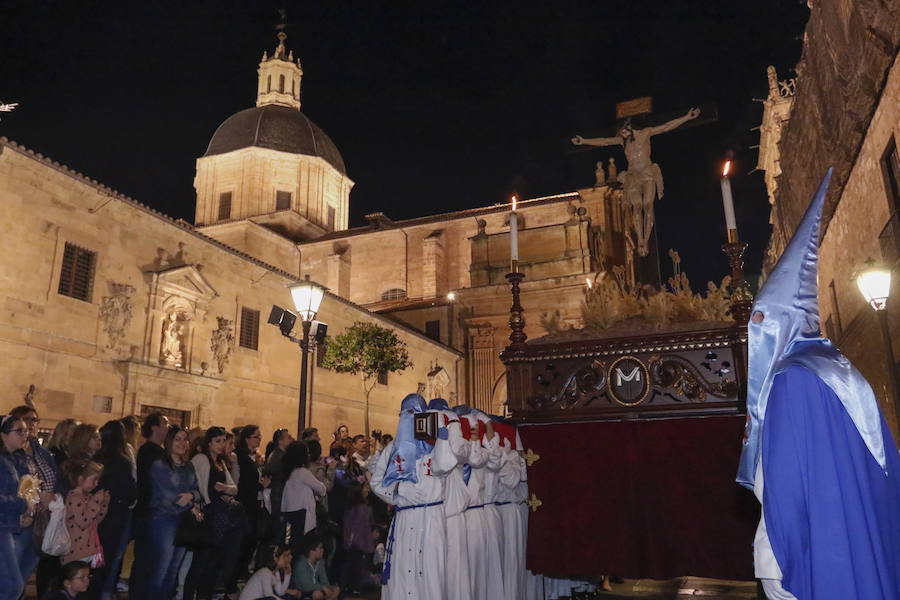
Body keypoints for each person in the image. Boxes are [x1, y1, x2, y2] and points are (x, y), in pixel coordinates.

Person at [737, 171, 900, 600]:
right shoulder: (834, 368)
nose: (755, 337)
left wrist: (789, 566)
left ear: (782, 322)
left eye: (761, 322)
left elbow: (785, 494)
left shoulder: (791, 380)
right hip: (849, 542)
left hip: (807, 559)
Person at [571, 107, 700, 256]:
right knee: (637, 206)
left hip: (647, 172)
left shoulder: (645, 133)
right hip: (633, 175)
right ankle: (640, 240)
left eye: (624, 132)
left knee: (648, 205)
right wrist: (584, 141)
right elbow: (604, 141)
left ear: (630, 127)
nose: (622, 135)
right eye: (621, 133)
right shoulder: (622, 140)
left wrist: (687, 117)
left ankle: (646, 238)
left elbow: (666, 127)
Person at [369, 393, 455, 600]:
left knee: (431, 572)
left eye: (414, 413)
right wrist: (398, 488)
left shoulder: (437, 444)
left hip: (432, 517)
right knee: (404, 569)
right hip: (405, 517)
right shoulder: (393, 449)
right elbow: (376, 482)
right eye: (405, 414)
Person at [140, 425, 201, 600]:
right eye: (178, 439)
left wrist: (191, 496)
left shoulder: (189, 466)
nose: (182, 443)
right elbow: (168, 496)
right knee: (161, 568)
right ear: (169, 442)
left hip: (182, 521)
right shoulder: (159, 465)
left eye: (185, 439)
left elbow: (197, 490)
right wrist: (191, 506)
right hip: (163, 520)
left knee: (173, 571)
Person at [186, 426, 246, 600]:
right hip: (207, 516)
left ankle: (204, 595)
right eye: (217, 441)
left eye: (223, 441)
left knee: (212, 563)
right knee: (200, 564)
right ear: (209, 443)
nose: (221, 445)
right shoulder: (202, 459)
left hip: (219, 519)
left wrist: (225, 488)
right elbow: (201, 488)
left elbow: (234, 488)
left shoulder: (220, 462)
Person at [8, 405, 58, 597]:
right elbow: (12, 486)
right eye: (28, 419)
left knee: (25, 571)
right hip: (19, 521)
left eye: (35, 420)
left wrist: (54, 497)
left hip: (41, 522)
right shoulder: (10, 453)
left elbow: (54, 478)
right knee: (10, 575)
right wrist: (37, 498)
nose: (32, 424)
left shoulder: (42, 453)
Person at [87, 420, 136, 600]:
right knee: (104, 562)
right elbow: (130, 491)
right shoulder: (122, 462)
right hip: (114, 516)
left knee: (90, 562)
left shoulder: (95, 459)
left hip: (93, 516)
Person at [129, 411, 168, 599]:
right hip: (150, 512)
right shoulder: (152, 452)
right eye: (164, 424)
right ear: (154, 427)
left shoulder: (152, 451)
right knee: (146, 560)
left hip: (149, 511)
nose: (167, 428)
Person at [0, 414, 37, 600]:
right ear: (3, 435)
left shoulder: (13, 459)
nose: (25, 434)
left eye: (26, 430)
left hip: (7, 525)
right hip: (1, 528)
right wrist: (22, 505)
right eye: (19, 431)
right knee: (12, 586)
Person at [281, 441, 326, 558]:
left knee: (292, 548)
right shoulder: (302, 472)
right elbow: (322, 489)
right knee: (301, 550)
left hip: (290, 513)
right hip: (303, 515)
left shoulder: (288, 472)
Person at [235, 424, 269, 578]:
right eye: (256, 436)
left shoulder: (253, 457)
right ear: (247, 439)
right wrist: (261, 485)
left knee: (252, 539)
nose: (259, 439)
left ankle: (242, 571)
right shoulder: (242, 457)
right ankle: (238, 572)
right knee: (245, 541)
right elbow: (245, 483)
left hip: (255, 504)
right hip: (246, 504)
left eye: (260, 436)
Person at [61, 460, 109, 565]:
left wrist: (103, 504)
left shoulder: (88, 497)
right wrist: (96, 501)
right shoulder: (74, 498)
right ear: (81, 479)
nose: (96, 484)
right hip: (76, 551)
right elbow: (83, 521)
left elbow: (96, 520)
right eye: (93, 480)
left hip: (88, 550)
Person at [340, 482, 377, 594]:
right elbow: (360, 524)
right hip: (361, 541)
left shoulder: (349, 507)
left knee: (352, 564)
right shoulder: (363, 508)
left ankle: (347, 586)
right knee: (357, 565)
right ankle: (354, 587)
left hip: (352, 541)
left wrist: (349, 540)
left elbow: (351, 525)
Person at [291, 534, 340, 600]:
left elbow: (324, 579)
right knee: (317, 594)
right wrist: (323, 588)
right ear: (312, 551)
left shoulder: (320, 562)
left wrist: (328, 588)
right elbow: (306, 585)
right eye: (320, 548)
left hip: (317, 588)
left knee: (336, 589)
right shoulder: (301, 564)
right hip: (302, 590)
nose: (323, 550)